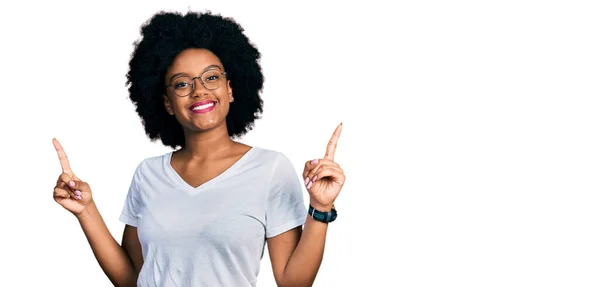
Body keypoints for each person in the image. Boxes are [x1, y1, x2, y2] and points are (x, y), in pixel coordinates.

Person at [51, 10, 345, 287]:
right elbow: (132, 278)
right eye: (181, 84)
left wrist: (320, 208)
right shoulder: (148, 173)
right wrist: (86, 211)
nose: (199, 90)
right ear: (167, 102)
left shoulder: (270, 169)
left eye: (211, 77)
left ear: (230, 88)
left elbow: (293, 282)